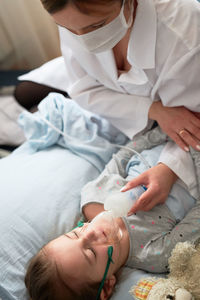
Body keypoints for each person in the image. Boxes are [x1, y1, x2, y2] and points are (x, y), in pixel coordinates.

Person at [15, 0, 200, 211]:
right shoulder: (72, 17)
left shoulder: (184, 36)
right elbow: (83, 89)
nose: (85, 41)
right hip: (117, 93)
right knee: (22, 93)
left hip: (181, 100)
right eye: (68, 29)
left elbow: (190, 125)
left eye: (96, 26)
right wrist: (152, 109)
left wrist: (168, 168)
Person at [24, 129, 200, 300]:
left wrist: (172, 129)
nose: (90, 233)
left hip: (172, 130)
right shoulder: (154, 253)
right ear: (107, 286)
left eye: (75, 234)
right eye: (91, 253)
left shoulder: (93, 197)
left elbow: (126, 154)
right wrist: (194, 142)